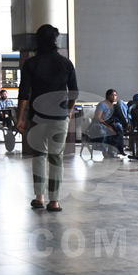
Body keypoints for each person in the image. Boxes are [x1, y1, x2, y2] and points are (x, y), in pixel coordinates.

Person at [16, 24, 78, 213]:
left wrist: (20, 118)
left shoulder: (31, 64)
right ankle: (54, 201)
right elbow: (73, 92)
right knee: (56, 157)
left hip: (37, 118)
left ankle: (39, 197)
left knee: (39, 155)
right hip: (59, 117)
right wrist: (68, 111)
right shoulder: (66, 63)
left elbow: (24, 93)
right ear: (55, 40)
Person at [90, 89, 128, 157]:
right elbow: (97, 117)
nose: (114, 97)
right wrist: (108, 126)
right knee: (103, 131)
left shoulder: (114, 106)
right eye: (112, 95)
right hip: (99, 123)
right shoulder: (102, 104)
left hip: (109, 123)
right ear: (107, 96)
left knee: (118, 128)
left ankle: (118, 149)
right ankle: (104, 152)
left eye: (115, 95)